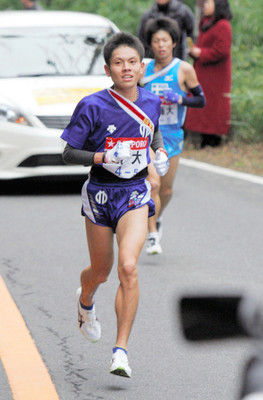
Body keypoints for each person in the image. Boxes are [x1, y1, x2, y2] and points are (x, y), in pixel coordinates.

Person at [61, 32, 169, 378]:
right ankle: (86, 301)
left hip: (135, 193)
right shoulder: (92, 105)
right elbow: (67, 152)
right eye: (119, 63)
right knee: (101, 272)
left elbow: (151, 132)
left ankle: (120, 351)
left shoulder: (151, 101)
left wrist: (160, 151)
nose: (126, 68)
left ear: (142, 66)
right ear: (108, 69)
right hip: (100, 195)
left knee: (128, 268)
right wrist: (102, 156)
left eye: (132, 62)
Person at [140, 17, 205, 254]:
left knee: (166, 190)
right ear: (150, 44)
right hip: (146, 136)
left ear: (174, 43)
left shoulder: (184, 69)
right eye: (156, 41)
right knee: (153, 185)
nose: (161, 45)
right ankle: (152, 236)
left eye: (165, 40)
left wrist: (179, 99)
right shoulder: (142, 68)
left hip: (172, 136)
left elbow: (201, 100)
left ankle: (155, 219)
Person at [184, 0, 233, 148]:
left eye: (209, 2)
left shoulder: (224, 25)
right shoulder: (205, 23)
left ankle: (213, 140)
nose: (205, 5)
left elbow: (222, 51)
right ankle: (202, 139)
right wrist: (194, 51)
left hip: (216, 75)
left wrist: (200, 52)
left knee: (215, 106)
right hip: (203, 72)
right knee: (203, 104)